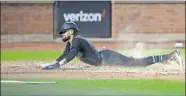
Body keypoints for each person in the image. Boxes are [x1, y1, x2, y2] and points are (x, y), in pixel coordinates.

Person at [40, 22, 183, 70]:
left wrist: (59, 65)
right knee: (135, 62)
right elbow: (65, 55)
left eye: (64, 32)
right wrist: (52, 63)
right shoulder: (72, 42)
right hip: (105, 58)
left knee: (136, 63)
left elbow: (70, 56)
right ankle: (165, 60)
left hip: (107, 57)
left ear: (71, 31)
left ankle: (171, 55)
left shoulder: (76, 40)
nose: (62, 34)